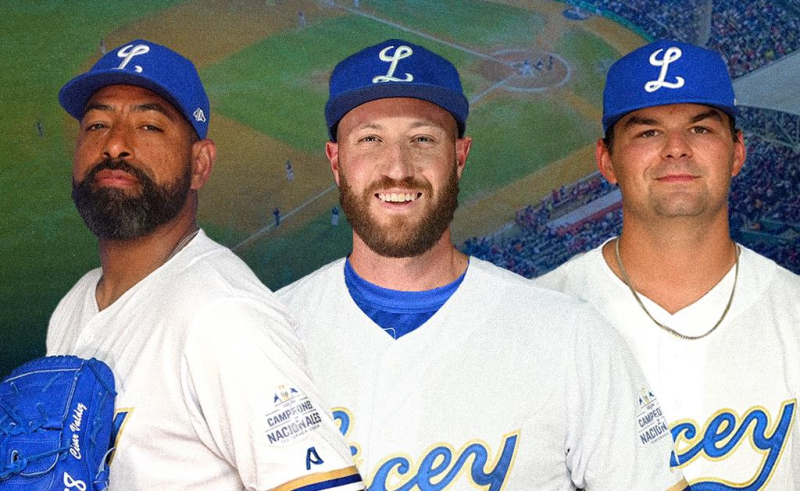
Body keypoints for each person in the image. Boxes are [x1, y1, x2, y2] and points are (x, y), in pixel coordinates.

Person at [278, 38, 689, 490]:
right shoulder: (261, 336)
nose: (396, 166)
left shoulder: (571, 337)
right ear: (336, 161)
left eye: (422, 139)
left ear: (459, 157)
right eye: (370, 139)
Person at [48, 39, 363, 490]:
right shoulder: (73, 307)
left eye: (149, 126)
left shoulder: (224, 316)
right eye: (97, 123)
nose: (115, 144)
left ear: (201, 165)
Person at [538, 39, 800, 489]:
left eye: (700, 129)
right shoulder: (538, 317)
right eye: (648, 132)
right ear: (607, 160)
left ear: (737, 152)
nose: (676, 148)